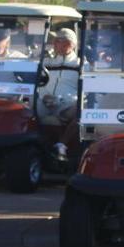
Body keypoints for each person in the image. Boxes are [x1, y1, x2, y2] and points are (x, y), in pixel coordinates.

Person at [39, 28, 82, 159]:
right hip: (44, 102)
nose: (57, 44)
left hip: (66, 104)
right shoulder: (47, 63)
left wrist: (62, 99)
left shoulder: (80, 65)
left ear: (71, 44)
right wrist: (43, 95)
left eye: (62, 41)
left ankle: (61, 144)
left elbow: (86, 91)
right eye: (56, 41)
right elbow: (37, 84)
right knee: (22, 109)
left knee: (81, 111)